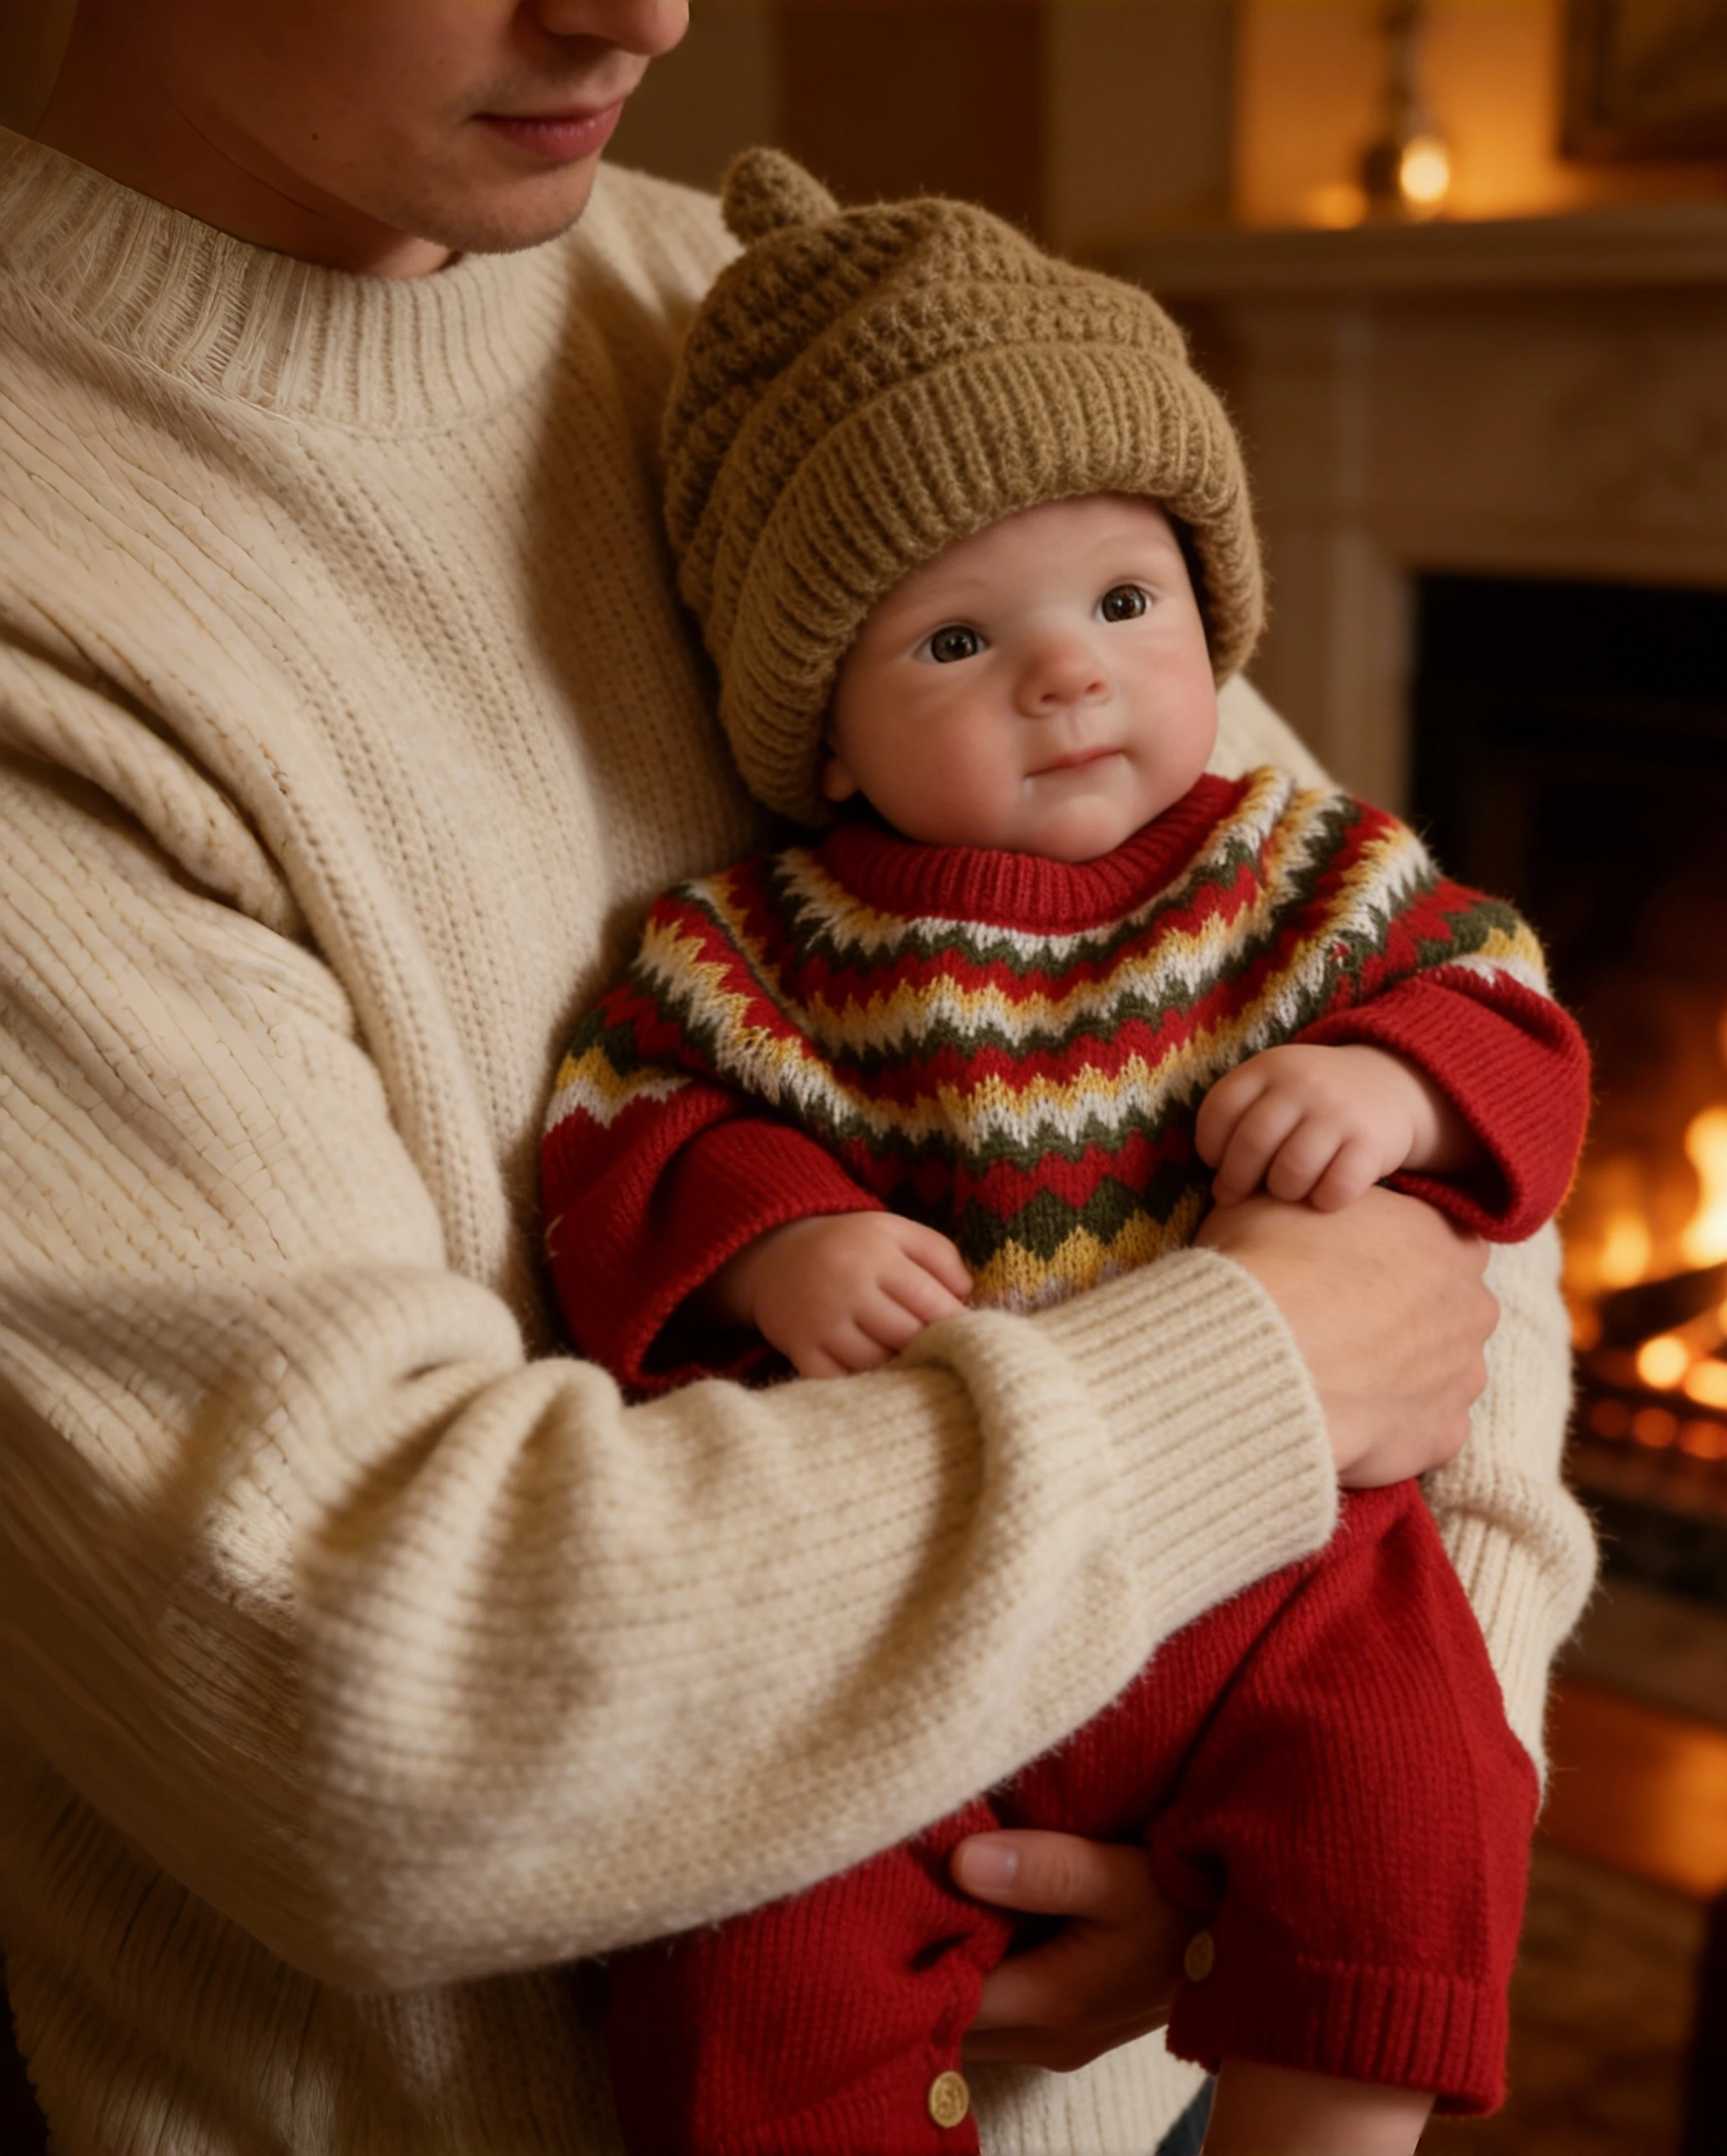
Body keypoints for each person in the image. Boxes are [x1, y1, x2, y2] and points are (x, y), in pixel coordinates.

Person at [0, 3, 1597, 2150]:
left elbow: (1402, 1066)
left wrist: (1335, 1851)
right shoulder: (50, 574)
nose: (645, 9)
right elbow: (373, 1715)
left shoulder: (814, 328)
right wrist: (1256, 1395)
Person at [542, 153, 1592, 2156]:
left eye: (1130, 602)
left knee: (1409, 1781)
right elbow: (625, 1120)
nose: (1072, 671)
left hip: (1289, 1561)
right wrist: (777, 1239)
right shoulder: (765, 943)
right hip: (915, 1613)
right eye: (957, 641)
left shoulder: (1301, 867)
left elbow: (1507, 1007)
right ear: (827, 731)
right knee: (761, 1924)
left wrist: (1399, 1090)